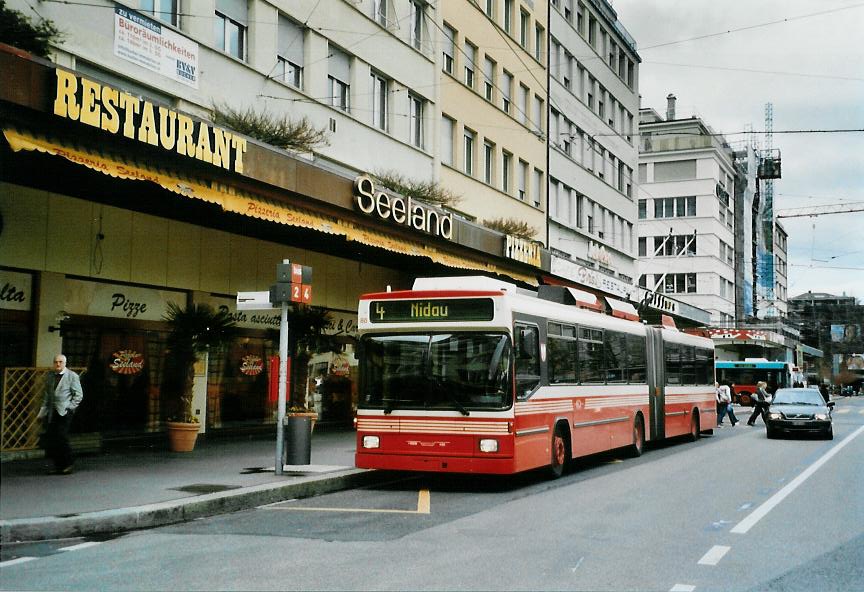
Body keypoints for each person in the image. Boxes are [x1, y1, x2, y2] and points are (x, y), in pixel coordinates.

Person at [38, 354, 84, 474]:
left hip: (65, 411)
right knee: (53, 438)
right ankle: (58, 466)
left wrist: (70, 407)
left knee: (61, 437)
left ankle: (68, 464)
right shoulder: (50, 376)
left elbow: (78, 395)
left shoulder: (72, 376)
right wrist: (42, 412)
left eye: (60, 362)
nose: (58, 364)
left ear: (64, 363)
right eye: (56, 362)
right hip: (53, 412)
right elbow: (47, 396)